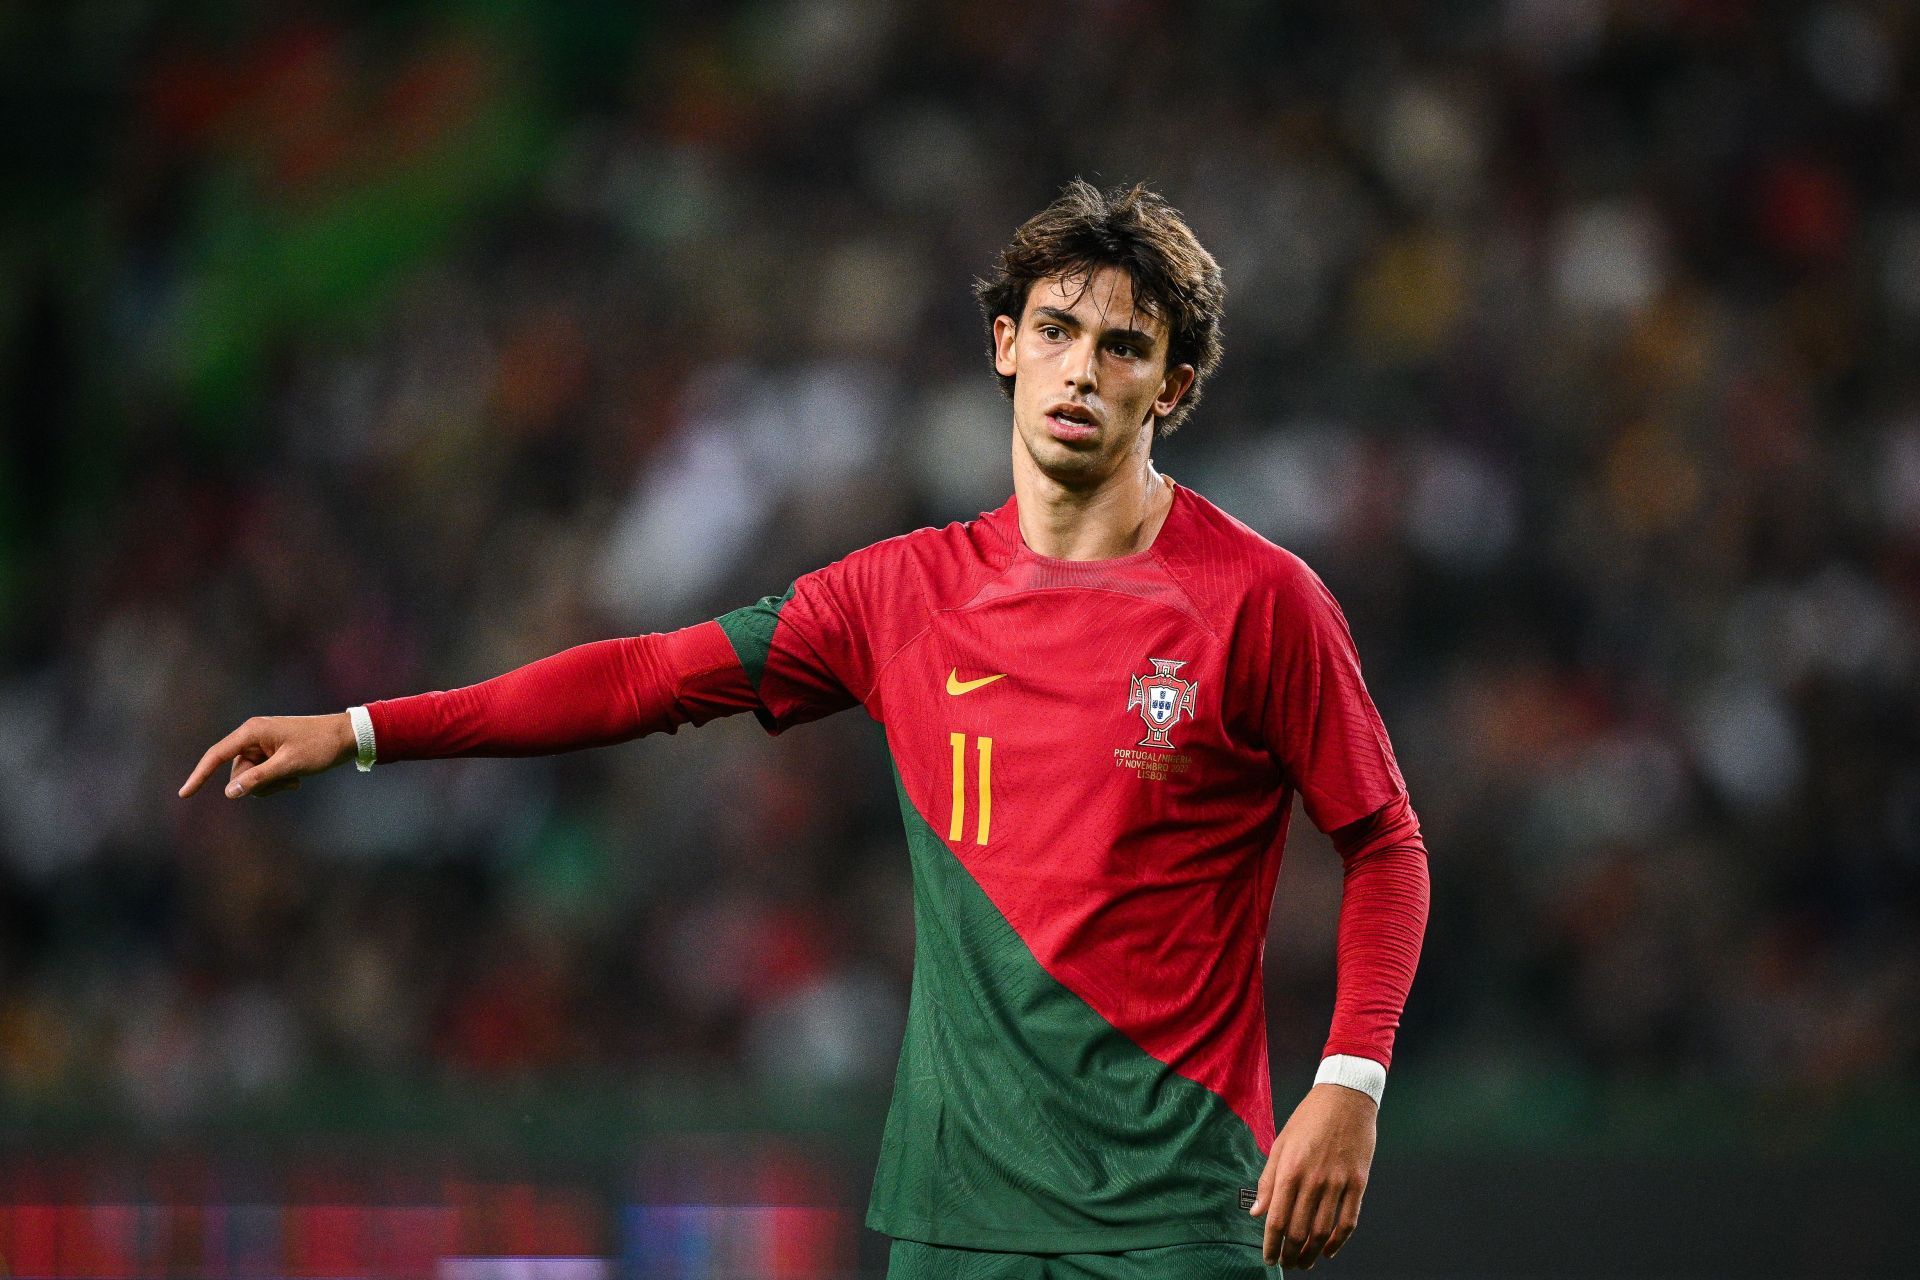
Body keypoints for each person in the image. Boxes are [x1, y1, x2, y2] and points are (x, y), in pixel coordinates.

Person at [180, 180, 1430, 1277]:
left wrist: (1352, 1080)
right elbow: (643, 677)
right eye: (1055, 330)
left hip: (1182, 1215)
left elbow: (1385, 843)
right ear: (1004, 345)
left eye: (1124, 346)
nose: (1082, 370)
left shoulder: (1259, 601)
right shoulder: (900, 595)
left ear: (1176, 383)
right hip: (962, 1218)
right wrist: (359, 729)